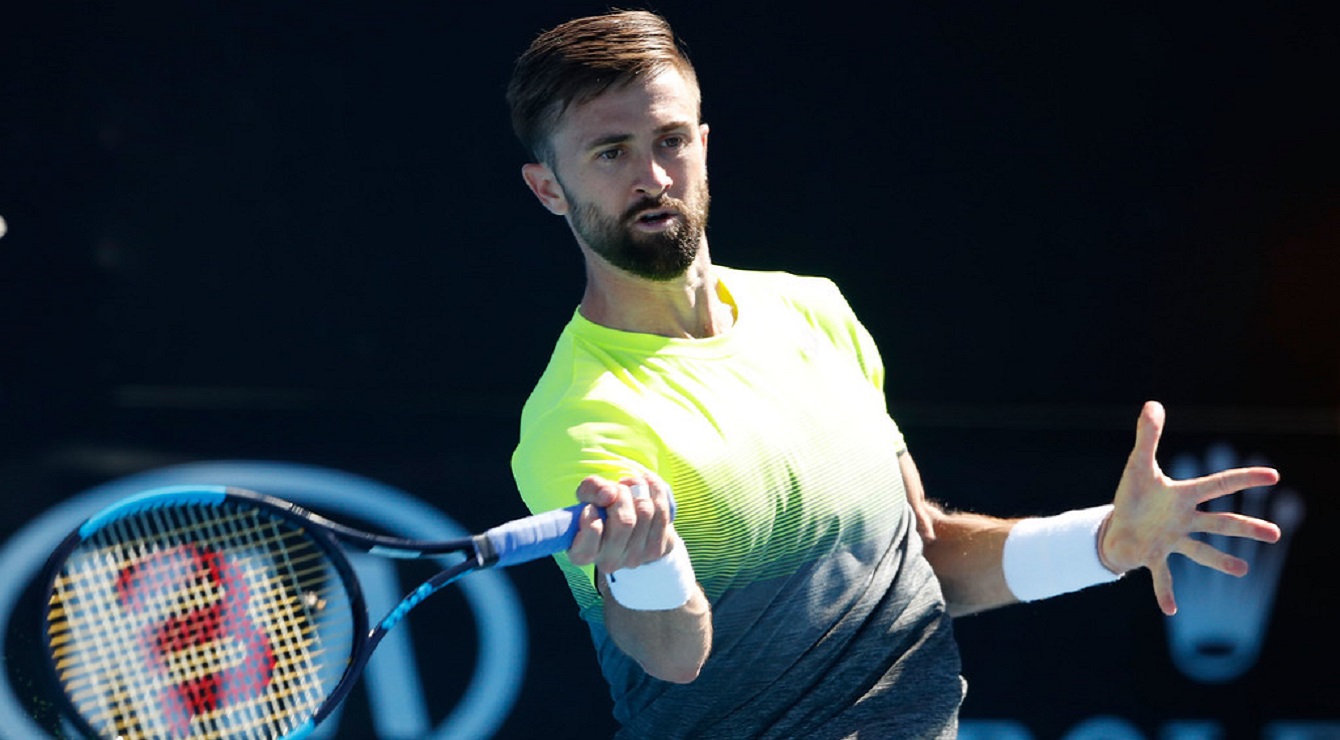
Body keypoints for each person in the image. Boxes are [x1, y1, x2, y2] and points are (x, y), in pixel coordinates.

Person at [506, 10, 1282, 738]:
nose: (653, 176)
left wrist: (1105, 541)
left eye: (670, 140)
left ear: (703, 144)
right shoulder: (580, 422)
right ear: (547, 189)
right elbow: (673, 658)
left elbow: (922, 557)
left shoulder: (813, 311)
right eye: (611, 153)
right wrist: (648, 565)